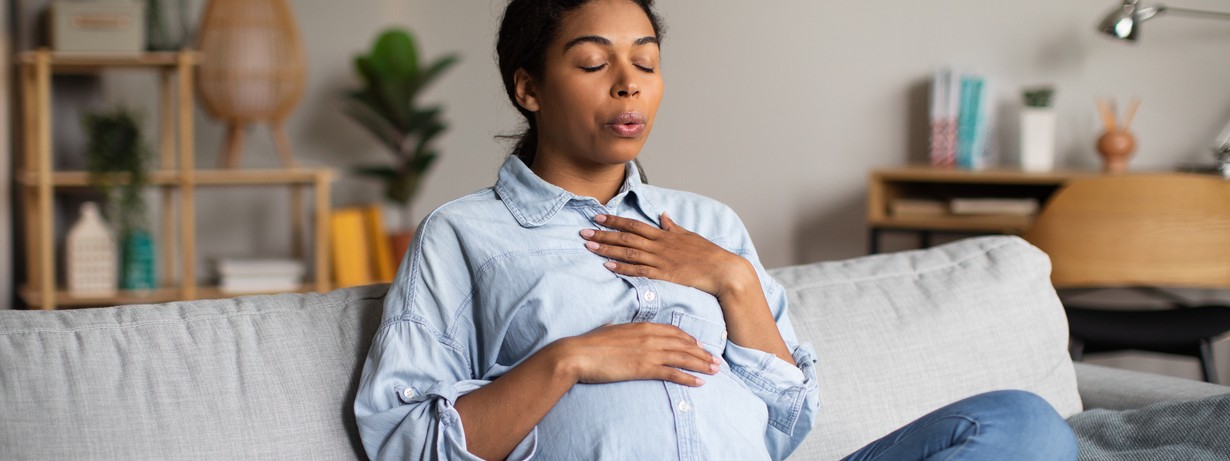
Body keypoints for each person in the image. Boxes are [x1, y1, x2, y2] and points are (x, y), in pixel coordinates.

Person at [354, 1, 1080, 460]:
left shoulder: (708, 223)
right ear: (529, 87)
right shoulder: (464, 234)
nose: (628, 82)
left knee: (1023, 423)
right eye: (593, 62)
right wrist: (567, 361)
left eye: (645, 60)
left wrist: (732, 279)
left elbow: (788, 419)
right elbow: (402, 440)